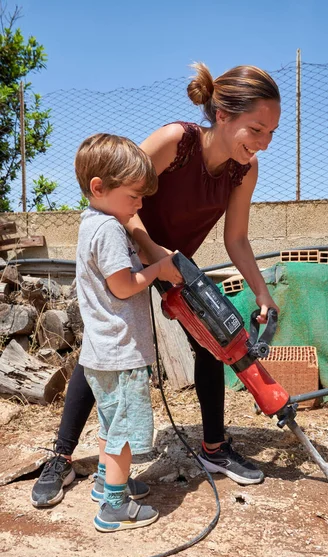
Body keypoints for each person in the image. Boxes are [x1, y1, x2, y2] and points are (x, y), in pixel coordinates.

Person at [31, 62, 281, 509]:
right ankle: (61, 456)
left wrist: (261, 290)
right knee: (105, 350)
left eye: (270, 134)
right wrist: (150, 252)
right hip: (125, 254)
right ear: (223, 114)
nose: (262, 144)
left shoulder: (245, 170)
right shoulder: (176, 142)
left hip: (174, 266)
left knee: (213, 343)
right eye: (256, 129)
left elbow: (236, 238)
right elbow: (120, 193)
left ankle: (214, 447)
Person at [68, 133, 180, 532]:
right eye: (134, 195)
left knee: (110, 422)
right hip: (121, 353)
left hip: (102, 353)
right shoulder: (111, 231)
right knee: (127, 430)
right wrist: (157, 271)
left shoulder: (90, 224)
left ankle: (105, 482)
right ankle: (114, 506)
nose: (140, 204)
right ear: (99, 188)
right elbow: (123, 285)